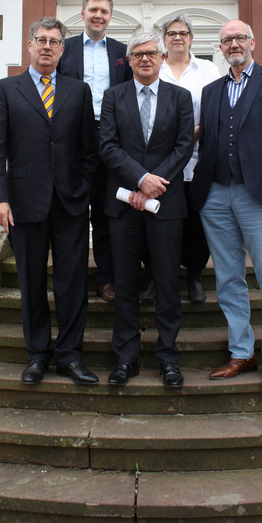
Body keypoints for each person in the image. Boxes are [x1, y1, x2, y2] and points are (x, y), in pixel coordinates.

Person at [189, 20, 262, 388]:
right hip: (217, 194)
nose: (233, 44)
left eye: (239, 38)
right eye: (226, 40)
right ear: (220, 49)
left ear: (252, 42)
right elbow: (206, 144)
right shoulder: (211, 90)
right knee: (228, 279)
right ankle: (242, 352)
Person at [0, 17, 99, 387]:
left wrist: (83, 190)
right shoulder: (6, 89)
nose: (47, 47)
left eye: (54, 42)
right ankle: (37, 355)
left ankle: (69, 355)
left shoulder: (78, 91)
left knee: (72, 282)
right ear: (30, 46)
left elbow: (88, 149)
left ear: (63, 49)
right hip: (23, 204)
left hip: (70, 204)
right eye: (41, 40)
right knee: (32, 282)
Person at [99, 30, 194, 388]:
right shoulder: (113, 97)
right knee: (125, 285)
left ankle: (168, 358)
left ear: (161, 57)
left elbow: (183, 146)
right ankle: (126, 358)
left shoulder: (181, 97)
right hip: (124, 206)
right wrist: (140, 179)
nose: (145, 59)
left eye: (151, 53)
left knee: (168, 283)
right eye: (138, 54)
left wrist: (154, 183)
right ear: (130, 59)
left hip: (167, 206)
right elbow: (107, 147)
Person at [58, 0, 132, 302]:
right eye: (92, 10)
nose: (97, 15)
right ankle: (71, 278)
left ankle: (105, 278)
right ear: (83, 13)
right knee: (72, 209)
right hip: (73, 136)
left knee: (105, 212)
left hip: (110, 135)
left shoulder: (121, 51)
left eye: (103, 10)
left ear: (110, 16)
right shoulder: (66, 48)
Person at [140, 13, 220, 306]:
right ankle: (154, 277)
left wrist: (189, 137)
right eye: (171, 32)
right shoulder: (154, 68)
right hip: (159, 163)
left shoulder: (208, 70)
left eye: (183, 33)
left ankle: (195, 276)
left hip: (198, 159)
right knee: (156, 220)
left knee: (196, 222)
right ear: (164, 39)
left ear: (191, 38)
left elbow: (217, 112)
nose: (177, 37)